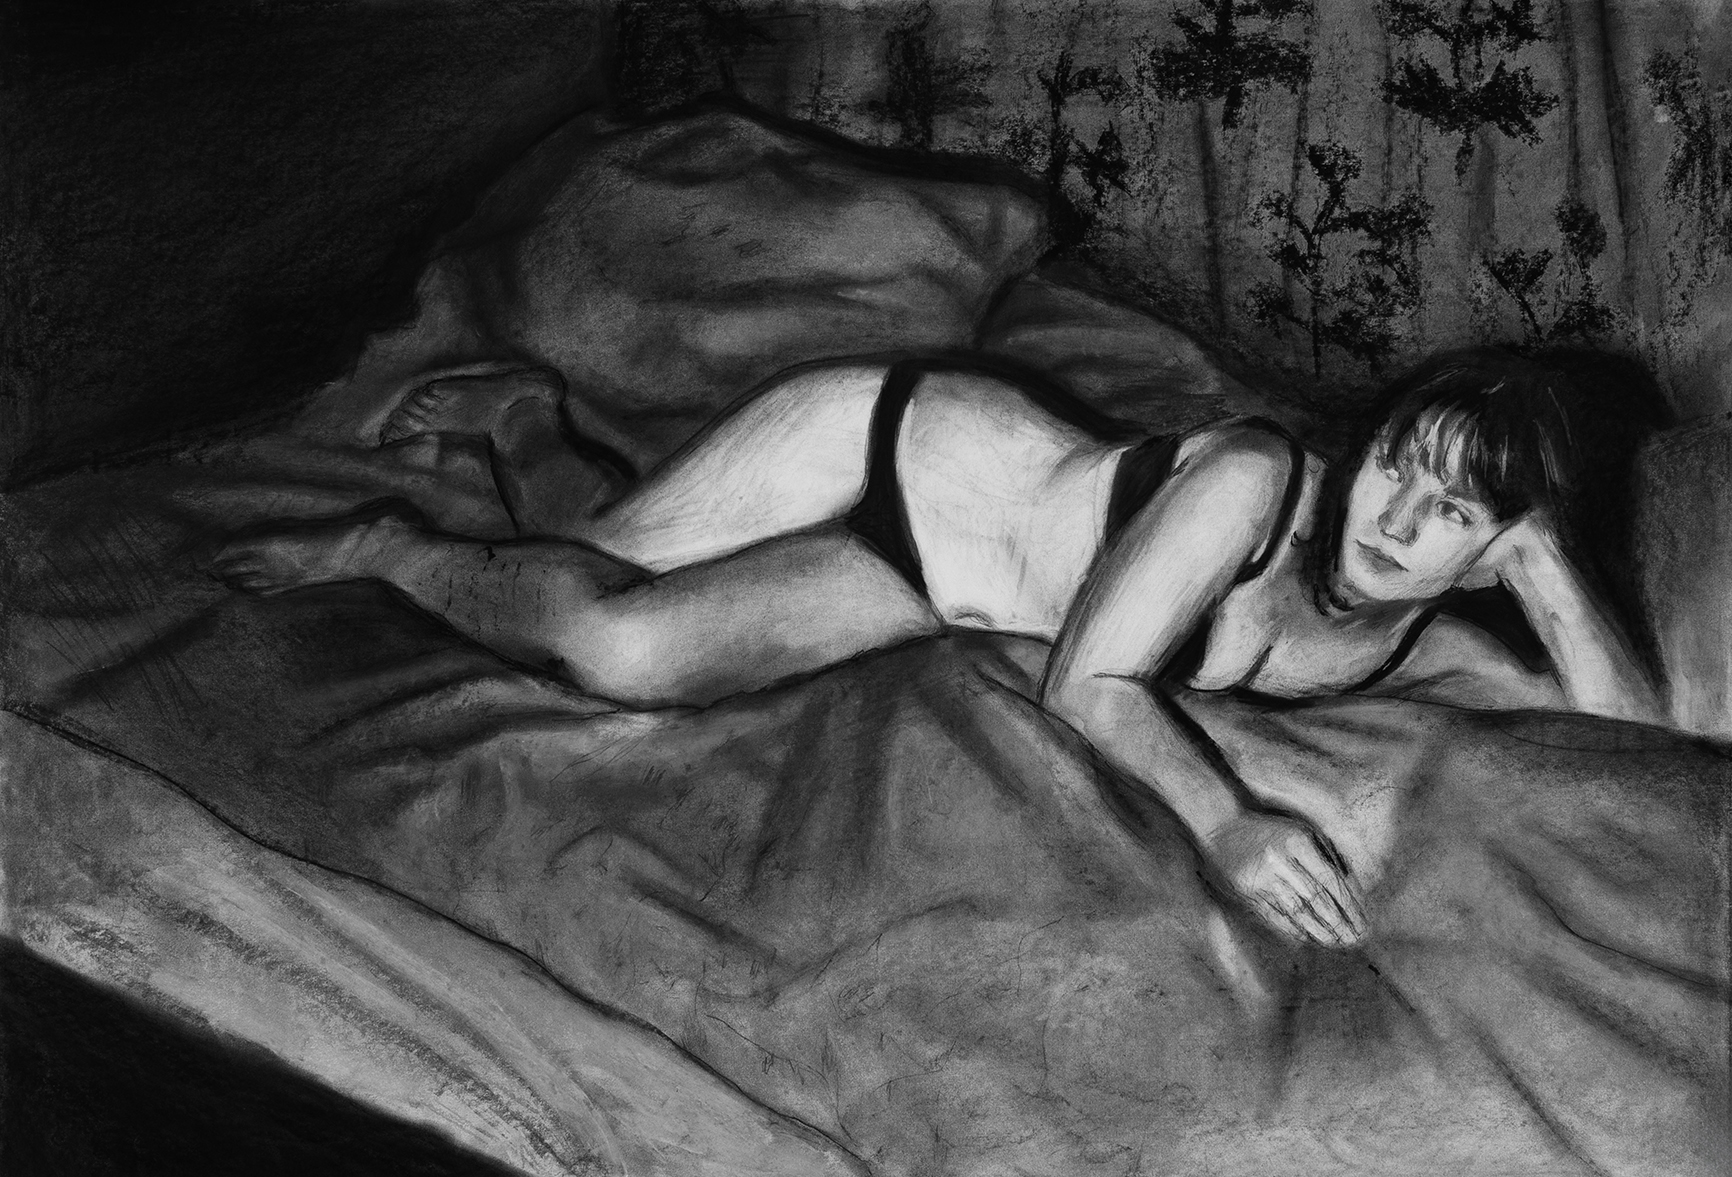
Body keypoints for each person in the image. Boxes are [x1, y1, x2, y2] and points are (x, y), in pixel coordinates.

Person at [213, 346, 1669, 947]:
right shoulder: (1255, 482)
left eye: (1453, 512)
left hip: (920, 590)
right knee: (599, 599)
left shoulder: (1412, 638)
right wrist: (1226, 820)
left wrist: (1544, 564)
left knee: (630, 647)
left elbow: (1639, 753)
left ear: (1495, 546)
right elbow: (1090, 677)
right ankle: (398, 538)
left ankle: (529, 441)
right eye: (1403, 462)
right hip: (891, 451)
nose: (1397, 518)